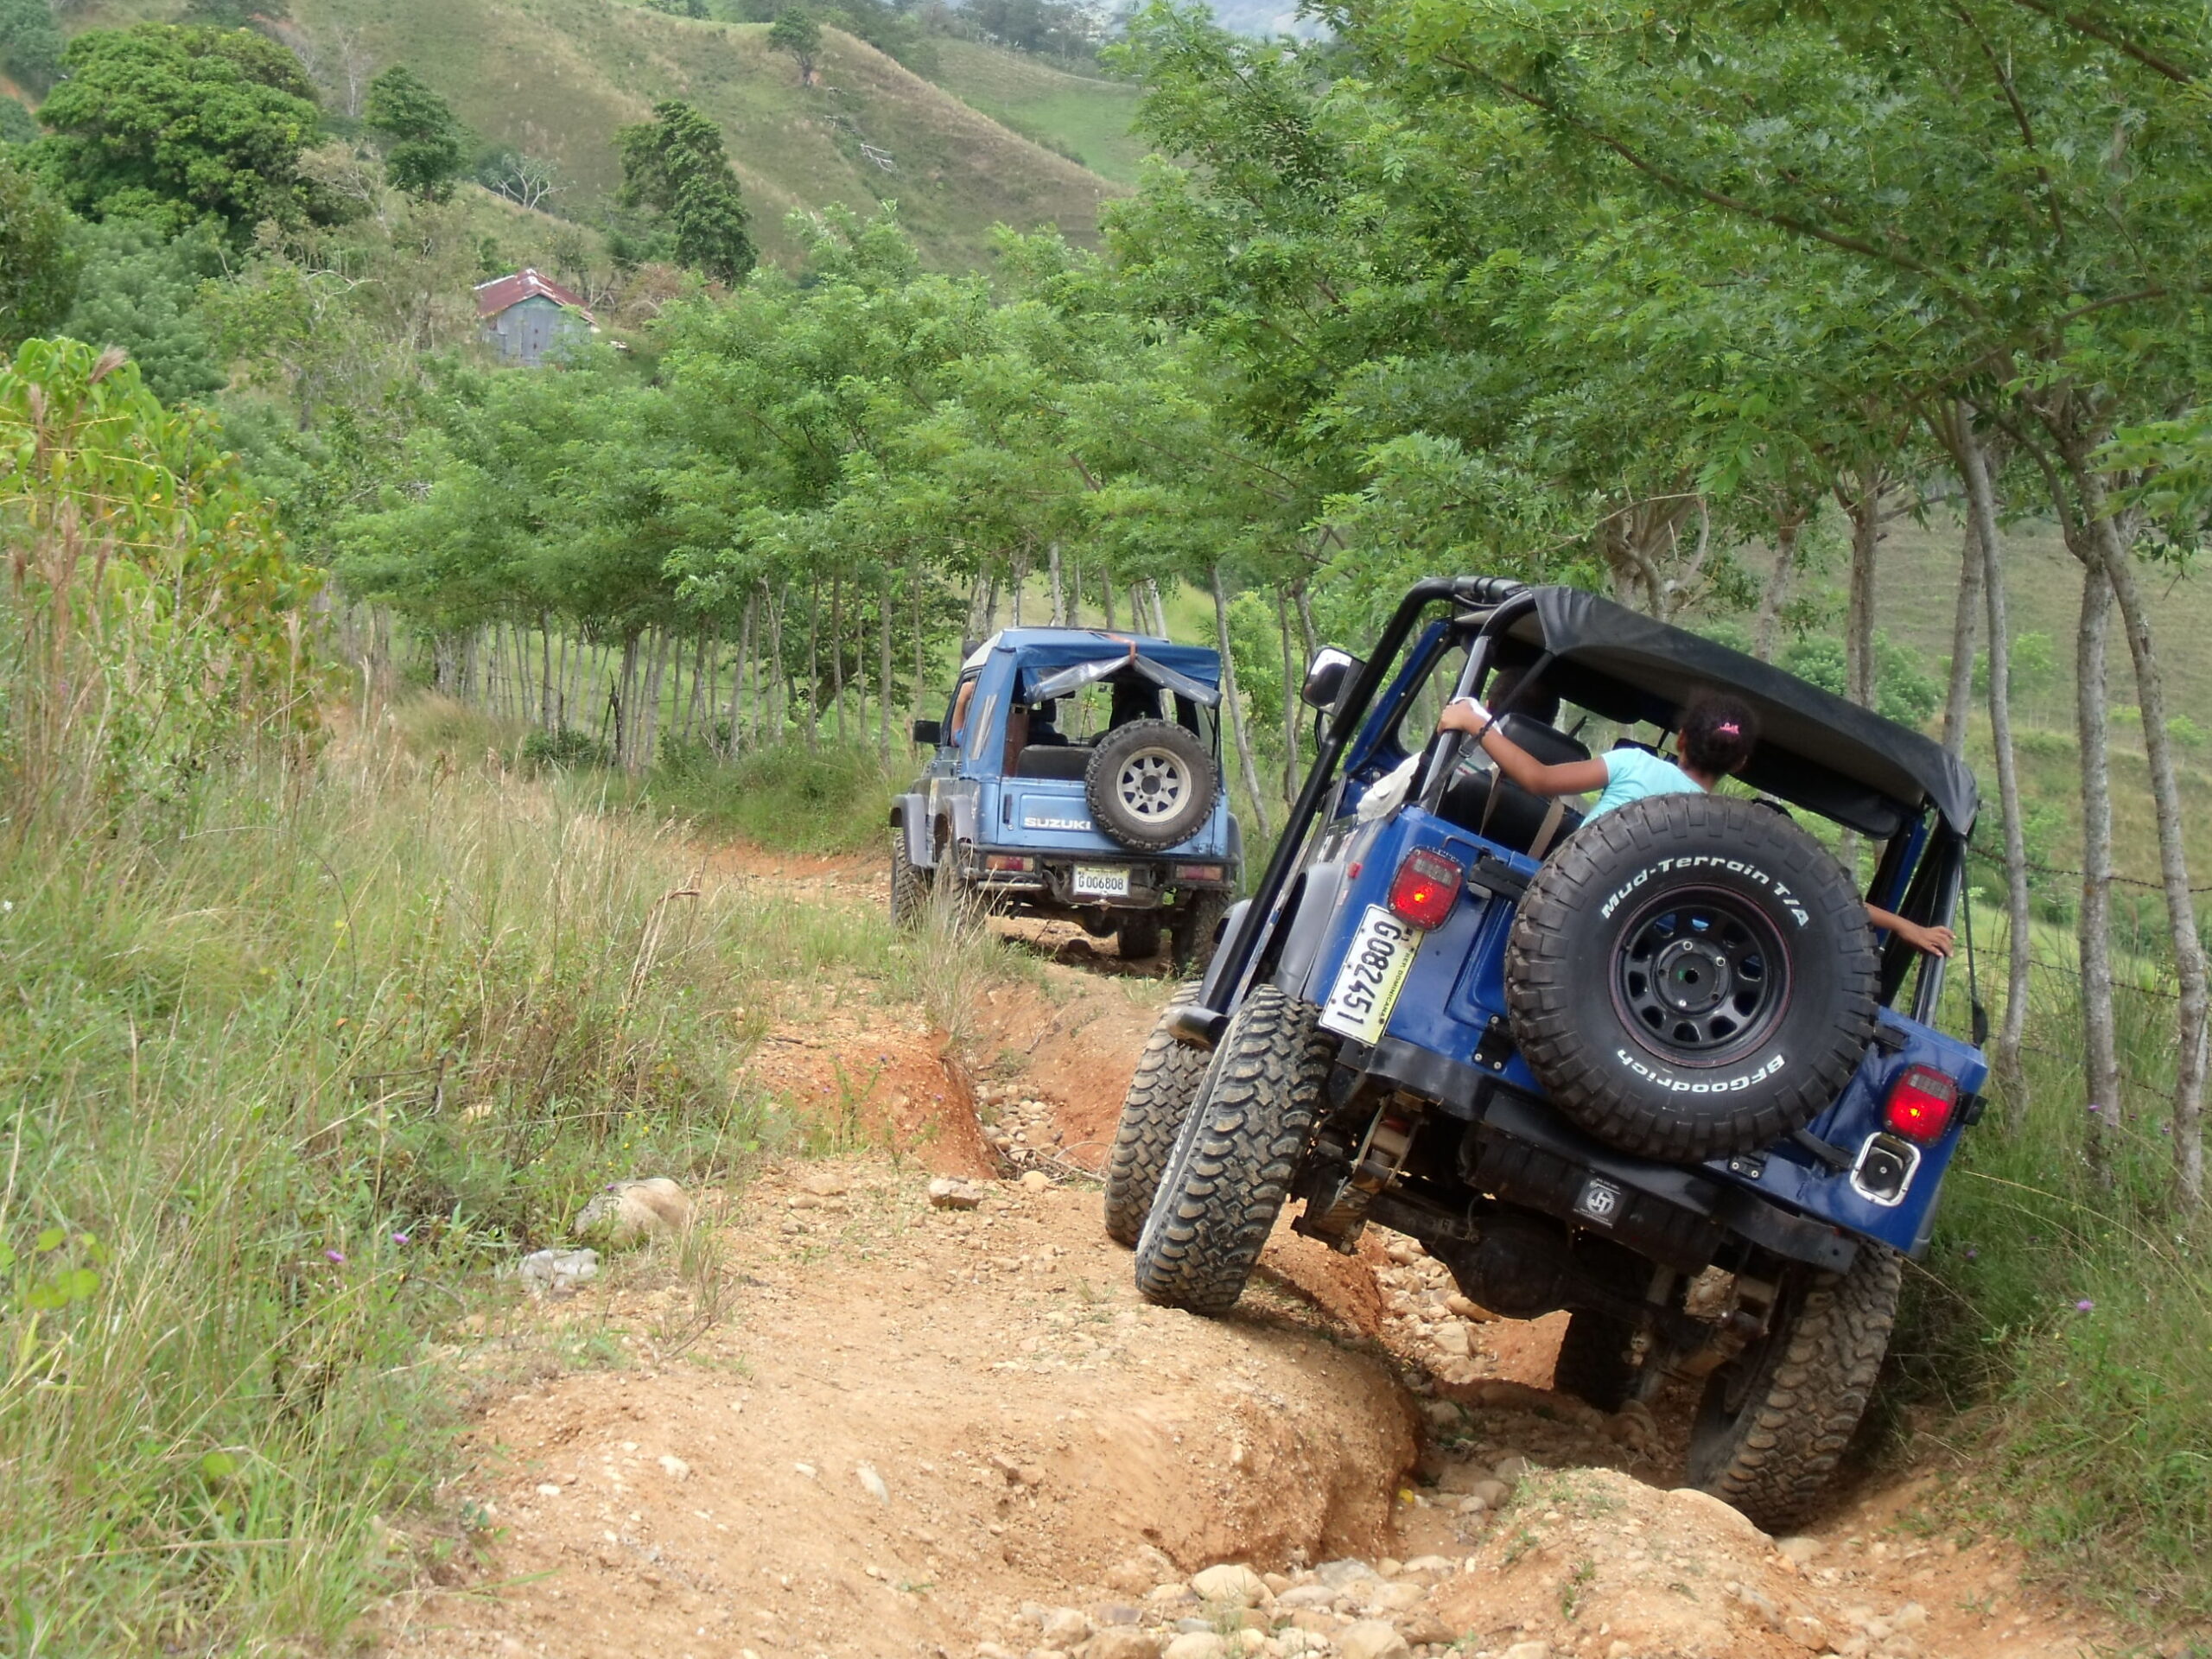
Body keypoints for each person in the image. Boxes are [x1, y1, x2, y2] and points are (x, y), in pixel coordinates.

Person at [1439, 685, 1956, 957]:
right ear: (1740, 764)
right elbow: (1824, 896)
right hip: (1651, 949)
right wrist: (1905, 925)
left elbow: (1537, 779)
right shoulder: (1737, 828)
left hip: (1561, 913)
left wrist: (1476, 724)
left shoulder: (1634, 765)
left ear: (1682, 739)